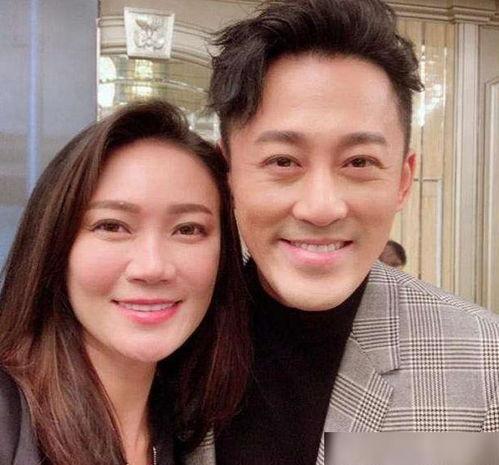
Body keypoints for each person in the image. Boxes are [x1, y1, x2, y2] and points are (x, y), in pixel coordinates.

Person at [187, 0, 499, 464]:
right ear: (227, 173)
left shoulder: (482, 365)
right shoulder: (169, 342)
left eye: (359, 162)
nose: (321, 208)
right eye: (282, 161)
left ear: (403, 180)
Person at [0, 100, 250, 465]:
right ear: (55, 243)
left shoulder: (194, 431)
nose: (152, 267)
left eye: (187, 229)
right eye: (112, 226)